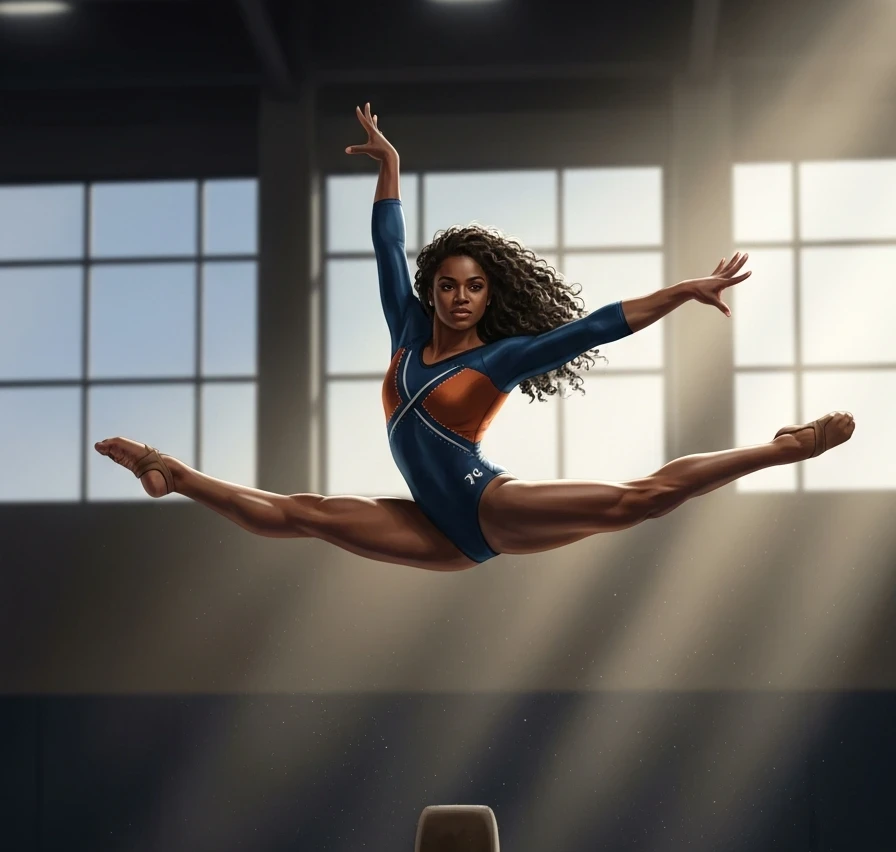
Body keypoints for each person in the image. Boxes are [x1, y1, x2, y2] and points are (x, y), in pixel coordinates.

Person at [95, 103, 854, 573]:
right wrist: (391, 169)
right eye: (449, 285)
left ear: (491, 296)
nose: (460, 298)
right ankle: (173, 472)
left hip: (485, 505)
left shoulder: (503, 359)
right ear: (432, 289)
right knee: (304, 513)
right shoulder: (405, 328)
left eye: (475, 287)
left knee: (636, 501)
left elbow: (597, 326)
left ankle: (782, 449)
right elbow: (388, 247)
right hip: (435, 533)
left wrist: (683, 291)